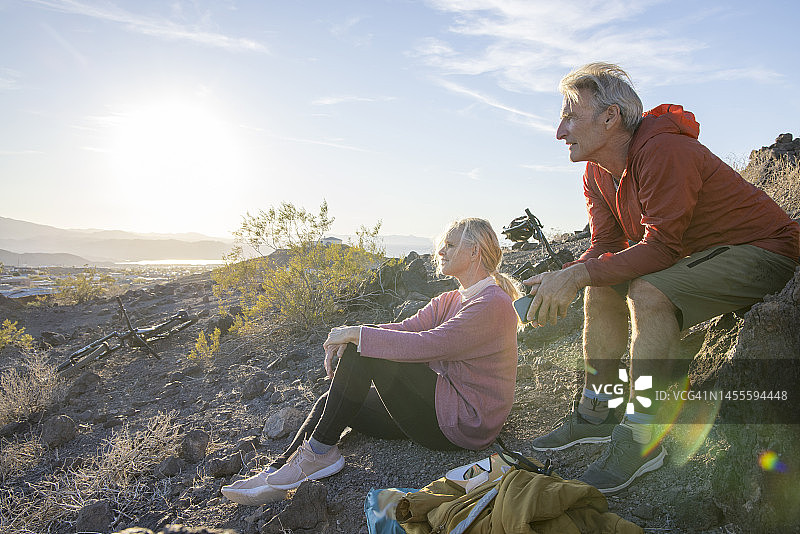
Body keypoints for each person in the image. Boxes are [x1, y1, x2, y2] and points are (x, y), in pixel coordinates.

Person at [522, 62, 800, 494]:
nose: (560, 131)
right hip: (703, 256)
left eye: (570, 116)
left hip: (766, 250)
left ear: (610, 117)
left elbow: (662, 247)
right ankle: (602, 408)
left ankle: (643, 434)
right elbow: (605, 244)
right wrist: (567, 276)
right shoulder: (597, 172)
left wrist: (578, 274)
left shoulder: (664, 151)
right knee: (599, 284)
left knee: (648, 292)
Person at [223, 217, 520, 502]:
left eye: (450, 245)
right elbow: (406, 328)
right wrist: (349, 333)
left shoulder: (492, 303)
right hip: (437, 412)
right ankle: (279, 470)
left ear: (474, 251)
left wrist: (356, 336)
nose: (440, 251)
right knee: (334, 396)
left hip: (464, 424)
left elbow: (429, 344)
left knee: (365, 348)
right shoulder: (451, 299)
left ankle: (317, 455)